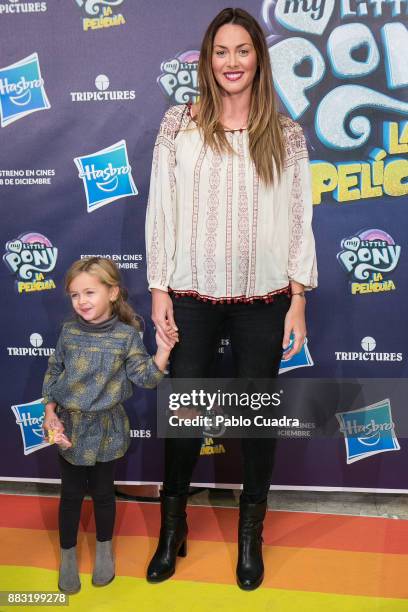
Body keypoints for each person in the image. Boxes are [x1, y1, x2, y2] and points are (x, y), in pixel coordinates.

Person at [145, 7, 317, 590]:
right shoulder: (179, 126)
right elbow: (161, 210)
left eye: (243, 50)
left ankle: (250, 537)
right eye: (222, 51)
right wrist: (159, 287)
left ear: (258, 59)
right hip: (191, 293)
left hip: (264, 299)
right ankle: (173, 529)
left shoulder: (286, 134)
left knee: (255, 422)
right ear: (207, 58)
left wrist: (297, 300)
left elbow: (299, 221)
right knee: (185, 415)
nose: (232, 62)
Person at [42, 257, 177, 594]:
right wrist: (49, 412)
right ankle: (68, 556)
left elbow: (146, 379)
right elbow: (54, 370)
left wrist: (163, 351)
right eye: (75, 295)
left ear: (113, 292)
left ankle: (104, 550)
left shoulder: (126, 336)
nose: (82, 301)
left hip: (108, 430)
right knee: (71, 495)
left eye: (89, 292)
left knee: (103, 493)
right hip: (69, 428)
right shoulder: (68, 331)